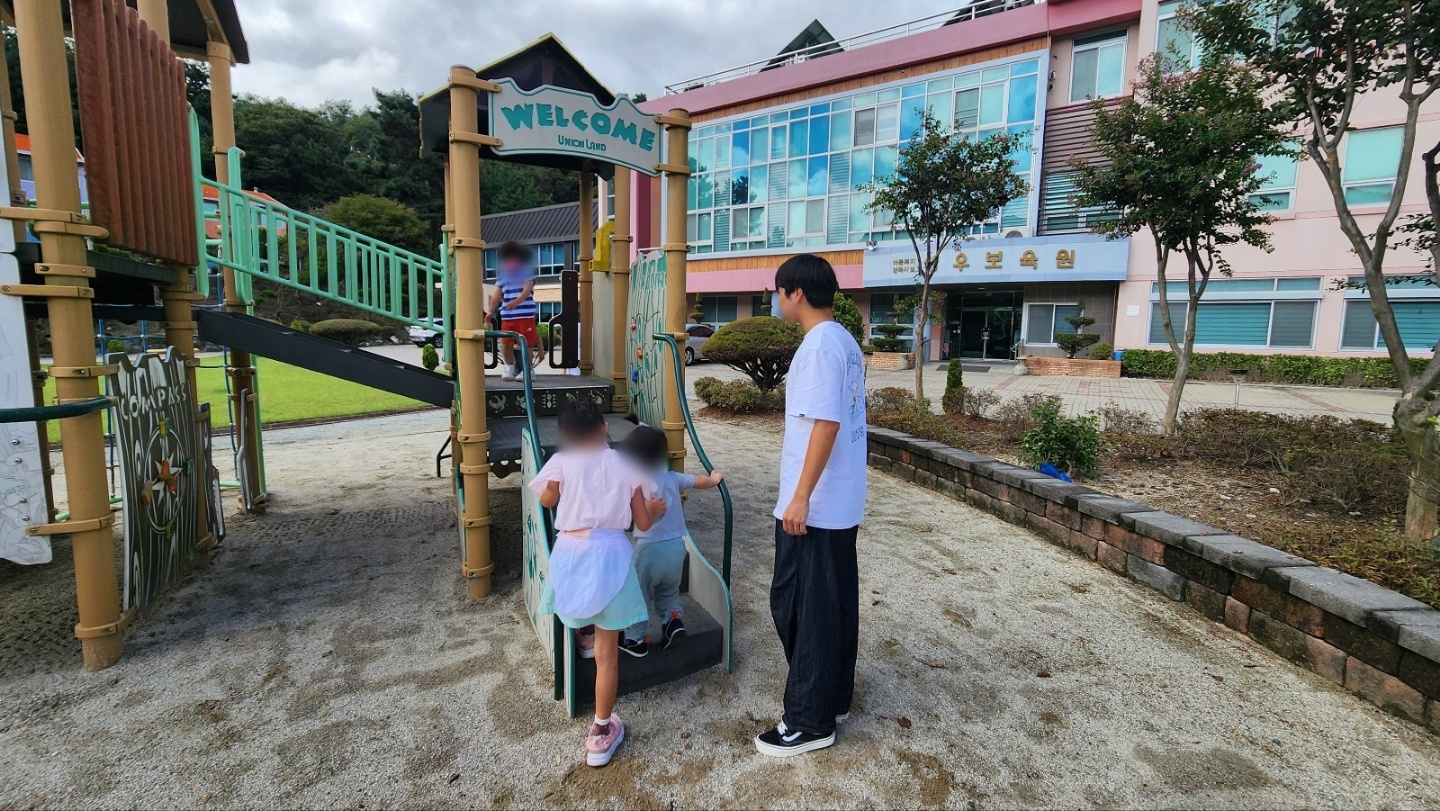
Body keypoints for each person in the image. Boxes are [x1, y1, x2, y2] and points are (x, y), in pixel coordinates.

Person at [755, 253, 867, 758]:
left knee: (800, 606)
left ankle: (808, 720)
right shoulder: (842, 340)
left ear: (796, 292)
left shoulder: (820, 345)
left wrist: (799, 497)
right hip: (838, 501)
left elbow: (826, 424)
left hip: (816, 505)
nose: (776, 299)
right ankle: (833, 697)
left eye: (778, 291)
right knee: (833, 604)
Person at [529, 400, 668, 767]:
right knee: (608, 654)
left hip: (571, 553)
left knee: (577, 610)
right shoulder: (625, 465)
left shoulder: (561, 461)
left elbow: (547, 500)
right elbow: (642, 523)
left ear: (564, 435)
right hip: (611, 557)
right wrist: (653, 511)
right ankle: (601, 730)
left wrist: (558, 486)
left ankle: (583, 636)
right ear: (604, 428)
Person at [616, 423, 724, 657]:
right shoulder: (673, 478)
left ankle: (636, 639)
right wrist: (714, 479)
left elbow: (625, 514)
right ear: (662, 455)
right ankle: (673, 622)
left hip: (648, 551)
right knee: (668, 592)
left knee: (639, 594)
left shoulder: (633, 485)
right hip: (676, 548)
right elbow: (698, 481)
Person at [485, 241, 539, 381]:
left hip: (525, 316)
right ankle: (509, 366)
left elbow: (527, 290)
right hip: (507, 317)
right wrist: (490, 311)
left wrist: (515, 302)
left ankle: (528, 370)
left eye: (512, 259)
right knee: (506, 343)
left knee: (526, 344)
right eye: (507, 260)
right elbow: (496, 295)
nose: (510, 262)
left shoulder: (526, 273)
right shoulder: (502, 276)